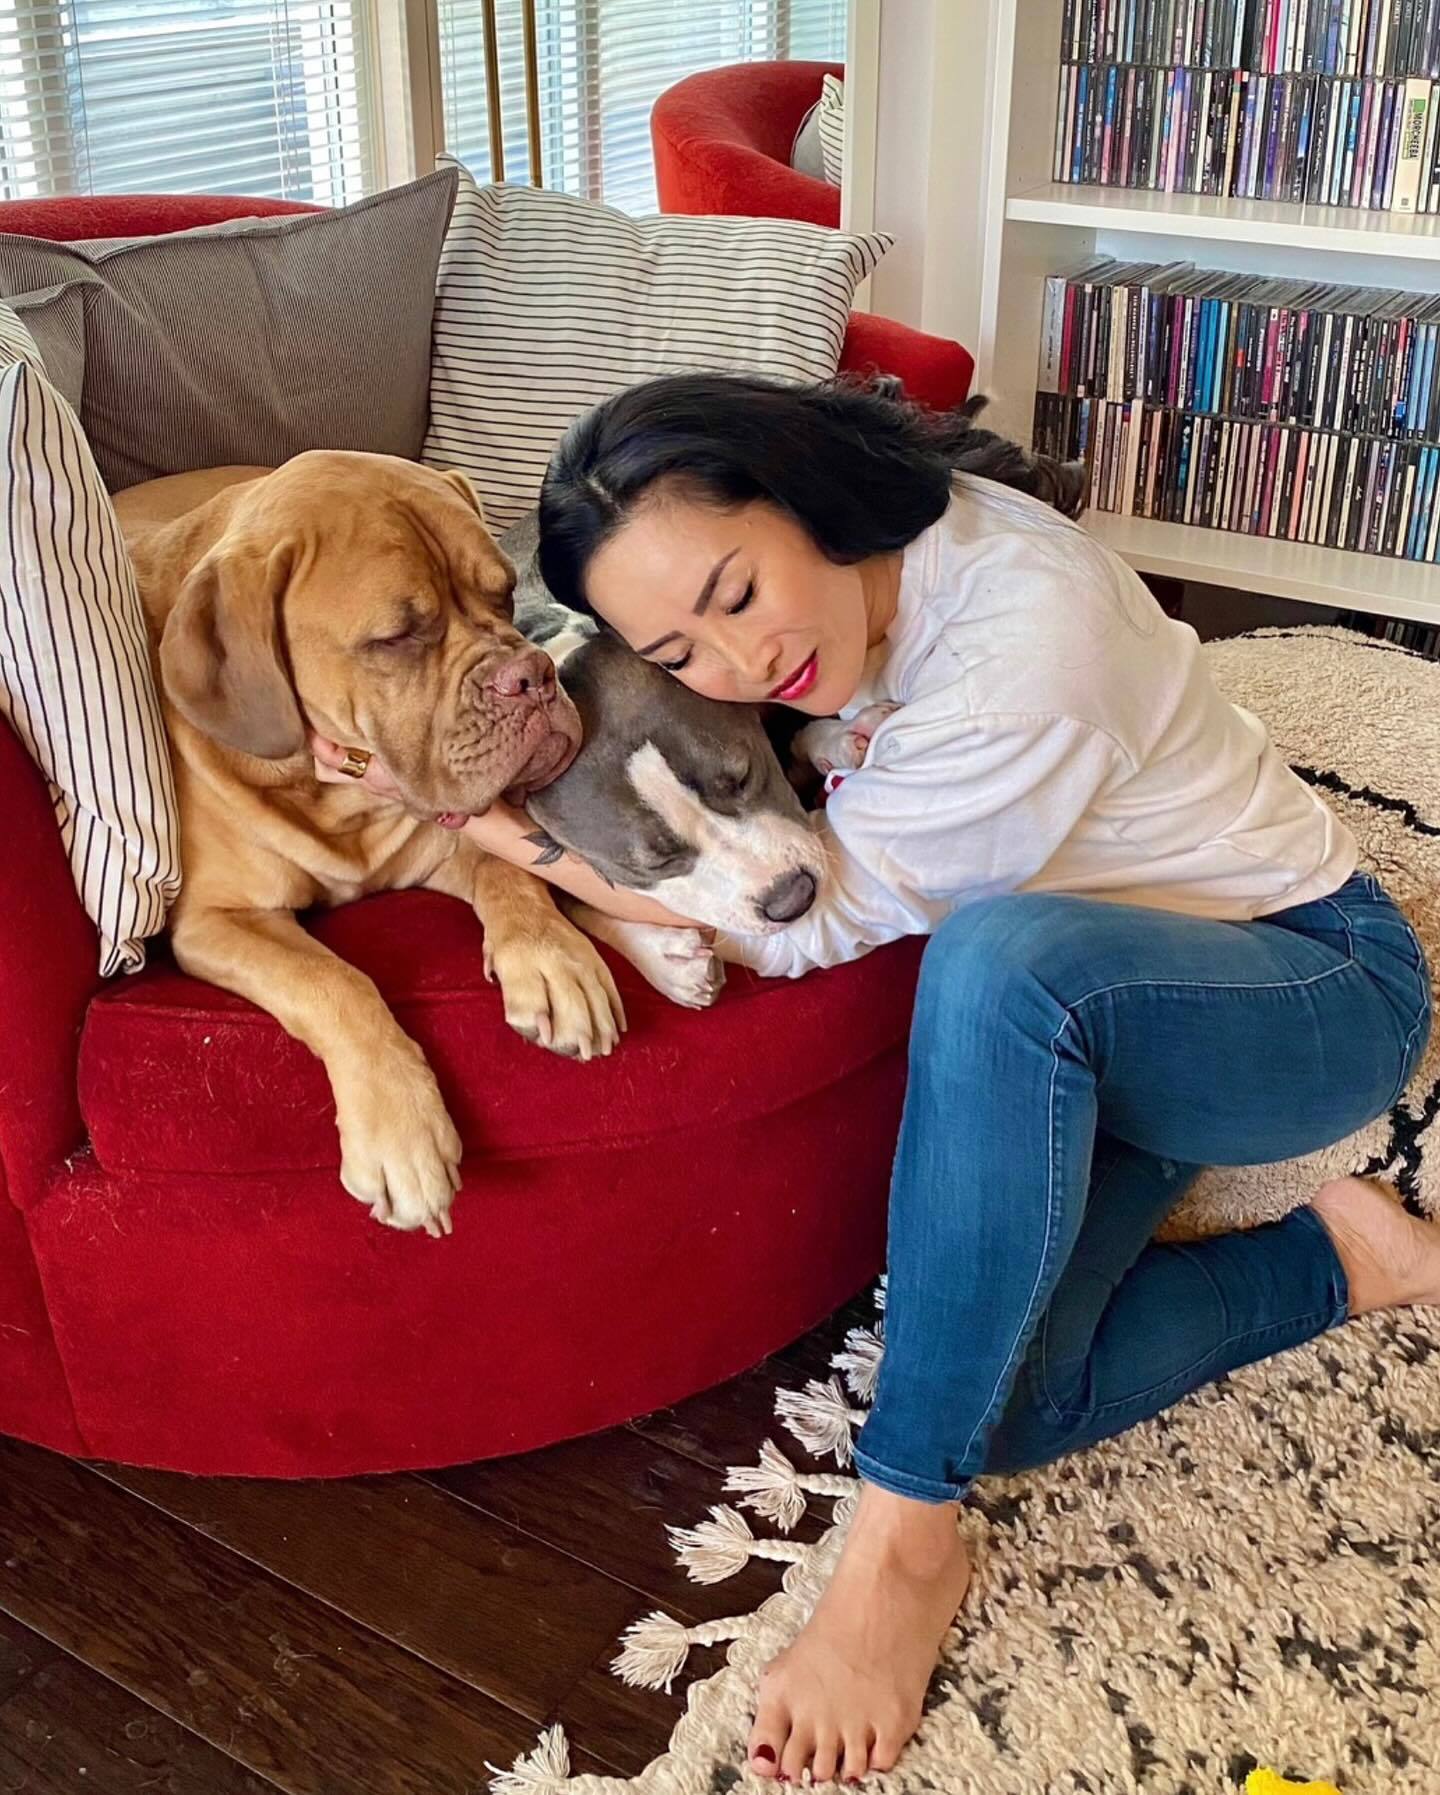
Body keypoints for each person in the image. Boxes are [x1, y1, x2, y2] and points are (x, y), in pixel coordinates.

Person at [317, 374, 1436, 1786]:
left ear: (800, 495)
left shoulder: (1023, 640)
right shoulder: (866, 594)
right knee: (1006, 1404)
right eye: (678, 648)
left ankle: (902, 1542)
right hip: (1114, 1020)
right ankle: (1344, 1261)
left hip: (1305, 991)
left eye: (736, 591)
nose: (740, 659)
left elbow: (807, 926)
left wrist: (478, 826)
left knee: (991, 963)